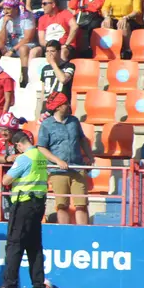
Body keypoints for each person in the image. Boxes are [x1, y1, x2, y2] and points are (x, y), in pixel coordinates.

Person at [0, 130, 63, 288]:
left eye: (16, 147)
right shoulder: (40, 156)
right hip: (38, 203)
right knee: (34, 245)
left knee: (14, 244)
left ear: (19, 145)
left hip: (23, 203)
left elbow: (6, 180)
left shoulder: (24, 158)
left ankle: (10, 283)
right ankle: (38, 285)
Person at [38, 92, 93, 226]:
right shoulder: (46, 125)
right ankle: (65, 231)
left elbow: (82, 139)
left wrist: (90, 156)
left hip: (77, 168)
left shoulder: (74, 121)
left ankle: (83, 232)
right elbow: (41, 147)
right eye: (65, 104)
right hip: (58, 171)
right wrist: (57, 161)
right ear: (57, 107)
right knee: (62, 205)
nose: (68, 106)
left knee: (81, 204)